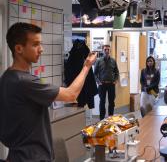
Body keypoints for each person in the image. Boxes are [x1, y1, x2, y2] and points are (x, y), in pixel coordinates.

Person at [0, 22, 97, 162]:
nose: (41, 49)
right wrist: (87, 66)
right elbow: (71, 94)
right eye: (35, 44)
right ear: (19, 48)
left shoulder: (7, 77)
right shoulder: (24, 81)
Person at [94, 44, 119, 120]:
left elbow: (117, 72)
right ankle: (101, 119)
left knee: (111, 102)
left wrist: (115, 80)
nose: (107, 51)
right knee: (102, 102)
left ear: (110, 50)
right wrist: (98, 82)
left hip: (111, 84)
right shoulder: (98, 61)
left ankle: (110, 118)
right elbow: (95, 73)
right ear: (103, 50)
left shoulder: (113, 61)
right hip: (102, 85)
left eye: (108, 49)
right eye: (105, 49)